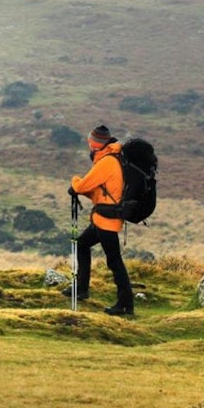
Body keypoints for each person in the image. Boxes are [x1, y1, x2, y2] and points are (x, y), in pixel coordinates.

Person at [67, 124, 135, 316]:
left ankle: (126, 305)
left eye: (90, 142)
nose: (89, 145)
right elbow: (100, 192)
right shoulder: (110, 159)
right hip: (102, 217)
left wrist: (74, 181)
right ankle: (81, 289)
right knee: (81, 244)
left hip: (107, 220)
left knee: (114, 262)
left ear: (95, 144)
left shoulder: (107, 162)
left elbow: (83, 185)